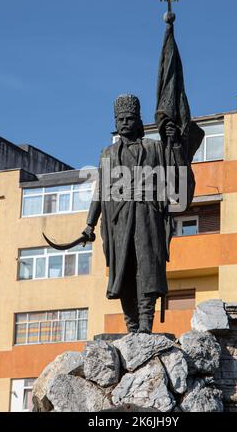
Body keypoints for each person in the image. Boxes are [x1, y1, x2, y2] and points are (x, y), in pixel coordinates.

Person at [83, 94, 195, 333]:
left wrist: (174, 143)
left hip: (148, 214)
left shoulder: (154, 147)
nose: (124, 122)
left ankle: (145, 322)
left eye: (129, 118)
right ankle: (131, 326)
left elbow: (176, 173)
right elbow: (100, 190)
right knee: (123, 271)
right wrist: (89, 224)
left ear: (138, 120)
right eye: (120, 119)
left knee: (148, 268)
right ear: (115, 122)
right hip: (118, 219)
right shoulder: (108, 153)